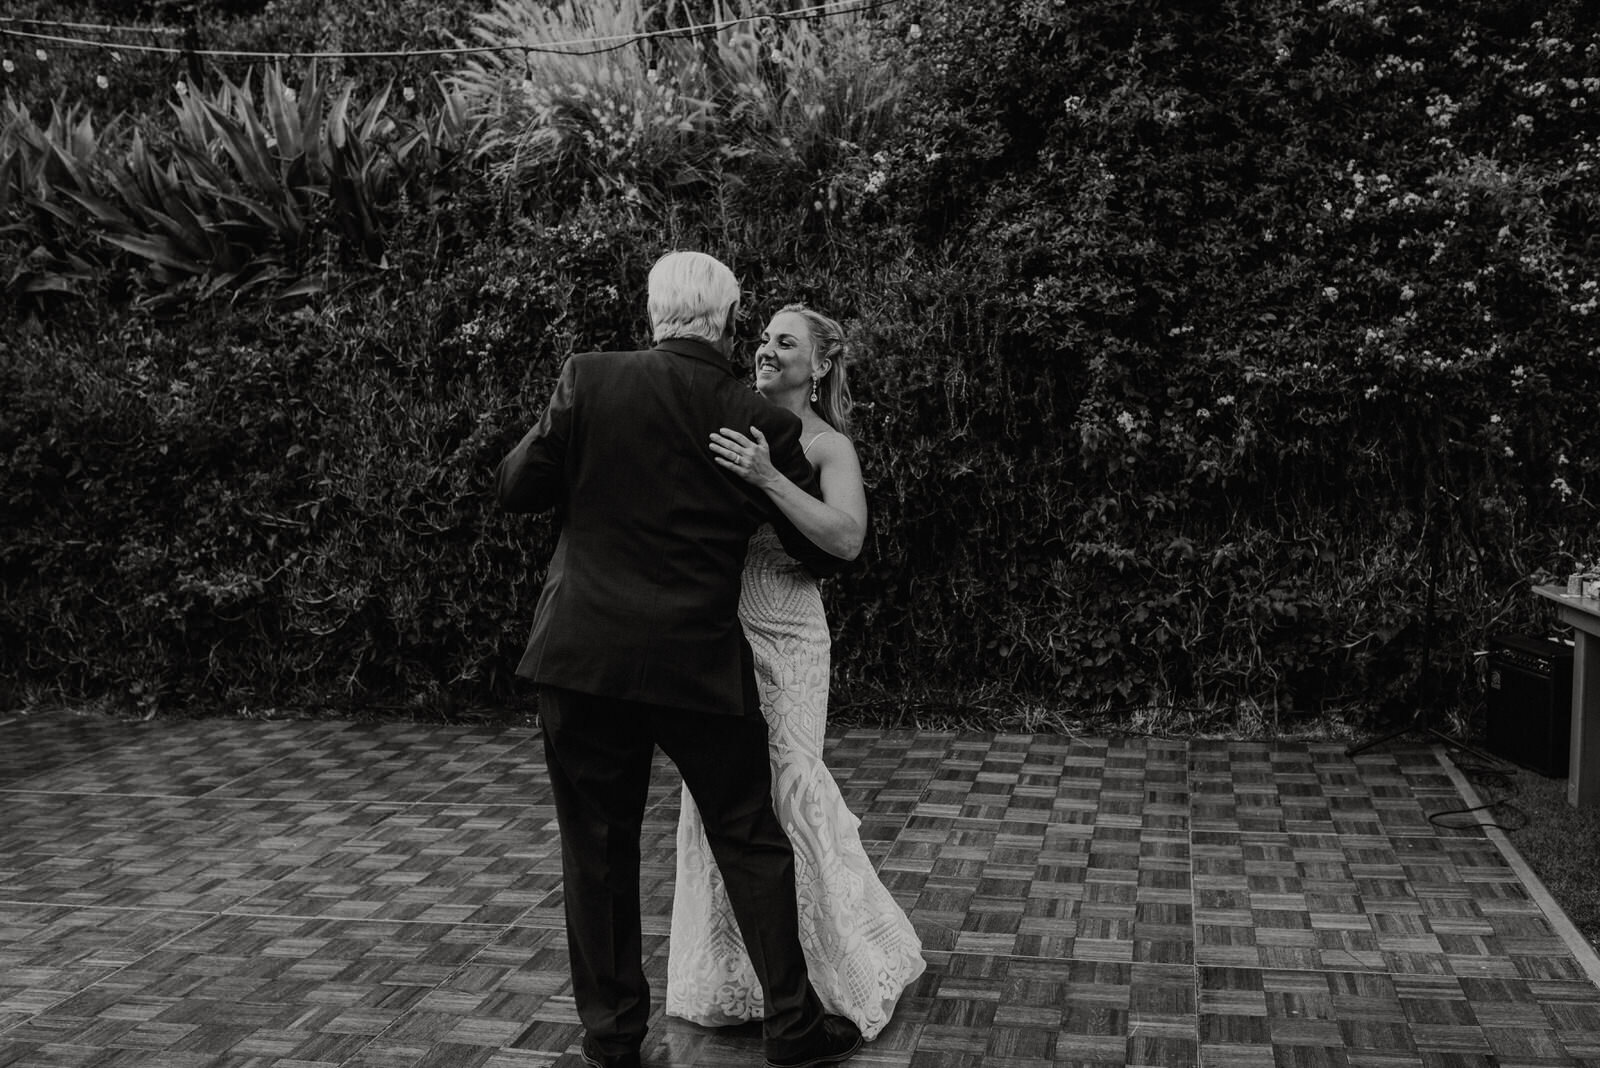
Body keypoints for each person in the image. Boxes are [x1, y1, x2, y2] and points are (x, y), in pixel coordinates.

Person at [496, 255, 864, 1068]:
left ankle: (613, 1038)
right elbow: (824, 551)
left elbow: (518, 485)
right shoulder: (751, 416)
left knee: (595, 848)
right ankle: (795, 1030)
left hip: (581, 658)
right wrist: (761, 482)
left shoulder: (588, 379)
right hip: (695, 663)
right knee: (751, 840)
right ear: (727, 321)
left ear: (655, 310)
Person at [666, 305, 926, 1040]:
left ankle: (827, 970)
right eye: (761, 337)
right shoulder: (727, 419)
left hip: (786, 630)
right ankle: (739, 976)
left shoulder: (825, 444)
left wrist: (767, 478)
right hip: (718, 632)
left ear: (817, 366)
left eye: (785, 342)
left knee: (787, 786)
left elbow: (844, 539)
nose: (764, 350)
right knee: (719, 797)